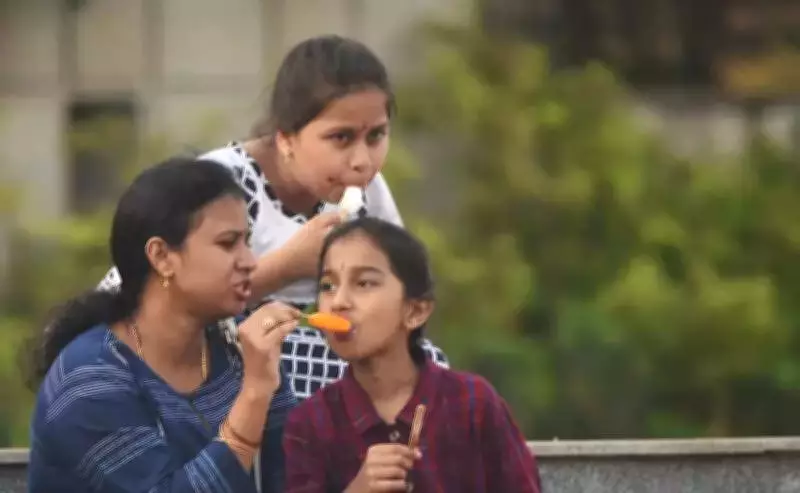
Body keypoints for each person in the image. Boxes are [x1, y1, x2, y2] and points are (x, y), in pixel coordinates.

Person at [98, 35, 448, 400]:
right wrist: (287, 266)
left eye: (376, 136)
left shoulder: (369, 191)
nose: (362, 160)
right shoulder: (220, 185)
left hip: (304, 358)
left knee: (426, 367)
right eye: (341, 138)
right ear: (285, 140)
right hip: (199, 366)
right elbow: (125, 306)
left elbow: (401, 297)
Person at [27, 157, 304, 493]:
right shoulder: (89, 379)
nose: (249, 261)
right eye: (228, 243)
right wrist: (255, 394)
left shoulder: (239, 350)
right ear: (161, 256)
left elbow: (297, 477)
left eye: (247, 241)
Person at [283, 217, 542, 493]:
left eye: (364, 284)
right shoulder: (311, 423)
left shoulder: (473, 404)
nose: (338, 302)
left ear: (415, 311)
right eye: (327, 286)